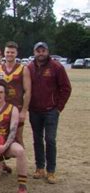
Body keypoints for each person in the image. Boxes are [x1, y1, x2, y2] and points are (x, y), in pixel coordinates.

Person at [28, 42, 72, 184]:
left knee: (50, 140)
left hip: (51, 111)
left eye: (43, 50)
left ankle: (51, 171)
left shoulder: (56, 67)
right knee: (37, 140)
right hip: (34, 110)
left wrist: (58, 107)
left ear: (47, 51)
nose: (41, 53)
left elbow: (66, 88)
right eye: (38, 51)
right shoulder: (29, 67)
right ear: (34, 52)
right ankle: (40, 168)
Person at [0, 82, 28, 193]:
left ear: (5, 94)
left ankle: (22, 184)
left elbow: (13, 131)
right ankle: (0, 164)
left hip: (7, 144)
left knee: (20, 151)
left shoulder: (12, 109)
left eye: (1, 92)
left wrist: (5, 146)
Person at [0, 41, 31, 146]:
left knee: (18, 137)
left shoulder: (23, 69)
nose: (9, 54)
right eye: (8, 52)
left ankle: (22, 160)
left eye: (12, 52)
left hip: (17, 107)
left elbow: (28, 91)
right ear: (4, 53)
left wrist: (24, 111)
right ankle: (0, 162)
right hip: (1, 109)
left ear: (16, 53)